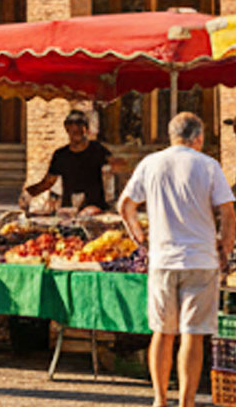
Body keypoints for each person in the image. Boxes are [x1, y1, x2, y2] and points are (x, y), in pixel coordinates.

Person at [118, 112, 235, 407]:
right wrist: (225, 245)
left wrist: (139, 237)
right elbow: (228, 212)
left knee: (162, 331)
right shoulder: (209, 166)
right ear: (198, 137)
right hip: (201, 259)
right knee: (193, 335)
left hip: (163, 259)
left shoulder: (151, 163)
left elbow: (125, 205)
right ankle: (186, 401)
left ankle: (159, 399)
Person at [19, 109, 110, 215]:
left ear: (86, 129)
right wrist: (28, 194)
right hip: (69, 210)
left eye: (80, 128)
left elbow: (115, 169)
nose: (77, 132)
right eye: (73, 130)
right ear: (67, 130)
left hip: (94, 208)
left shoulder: (97, 149)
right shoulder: (61, 155)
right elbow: (48, 182)